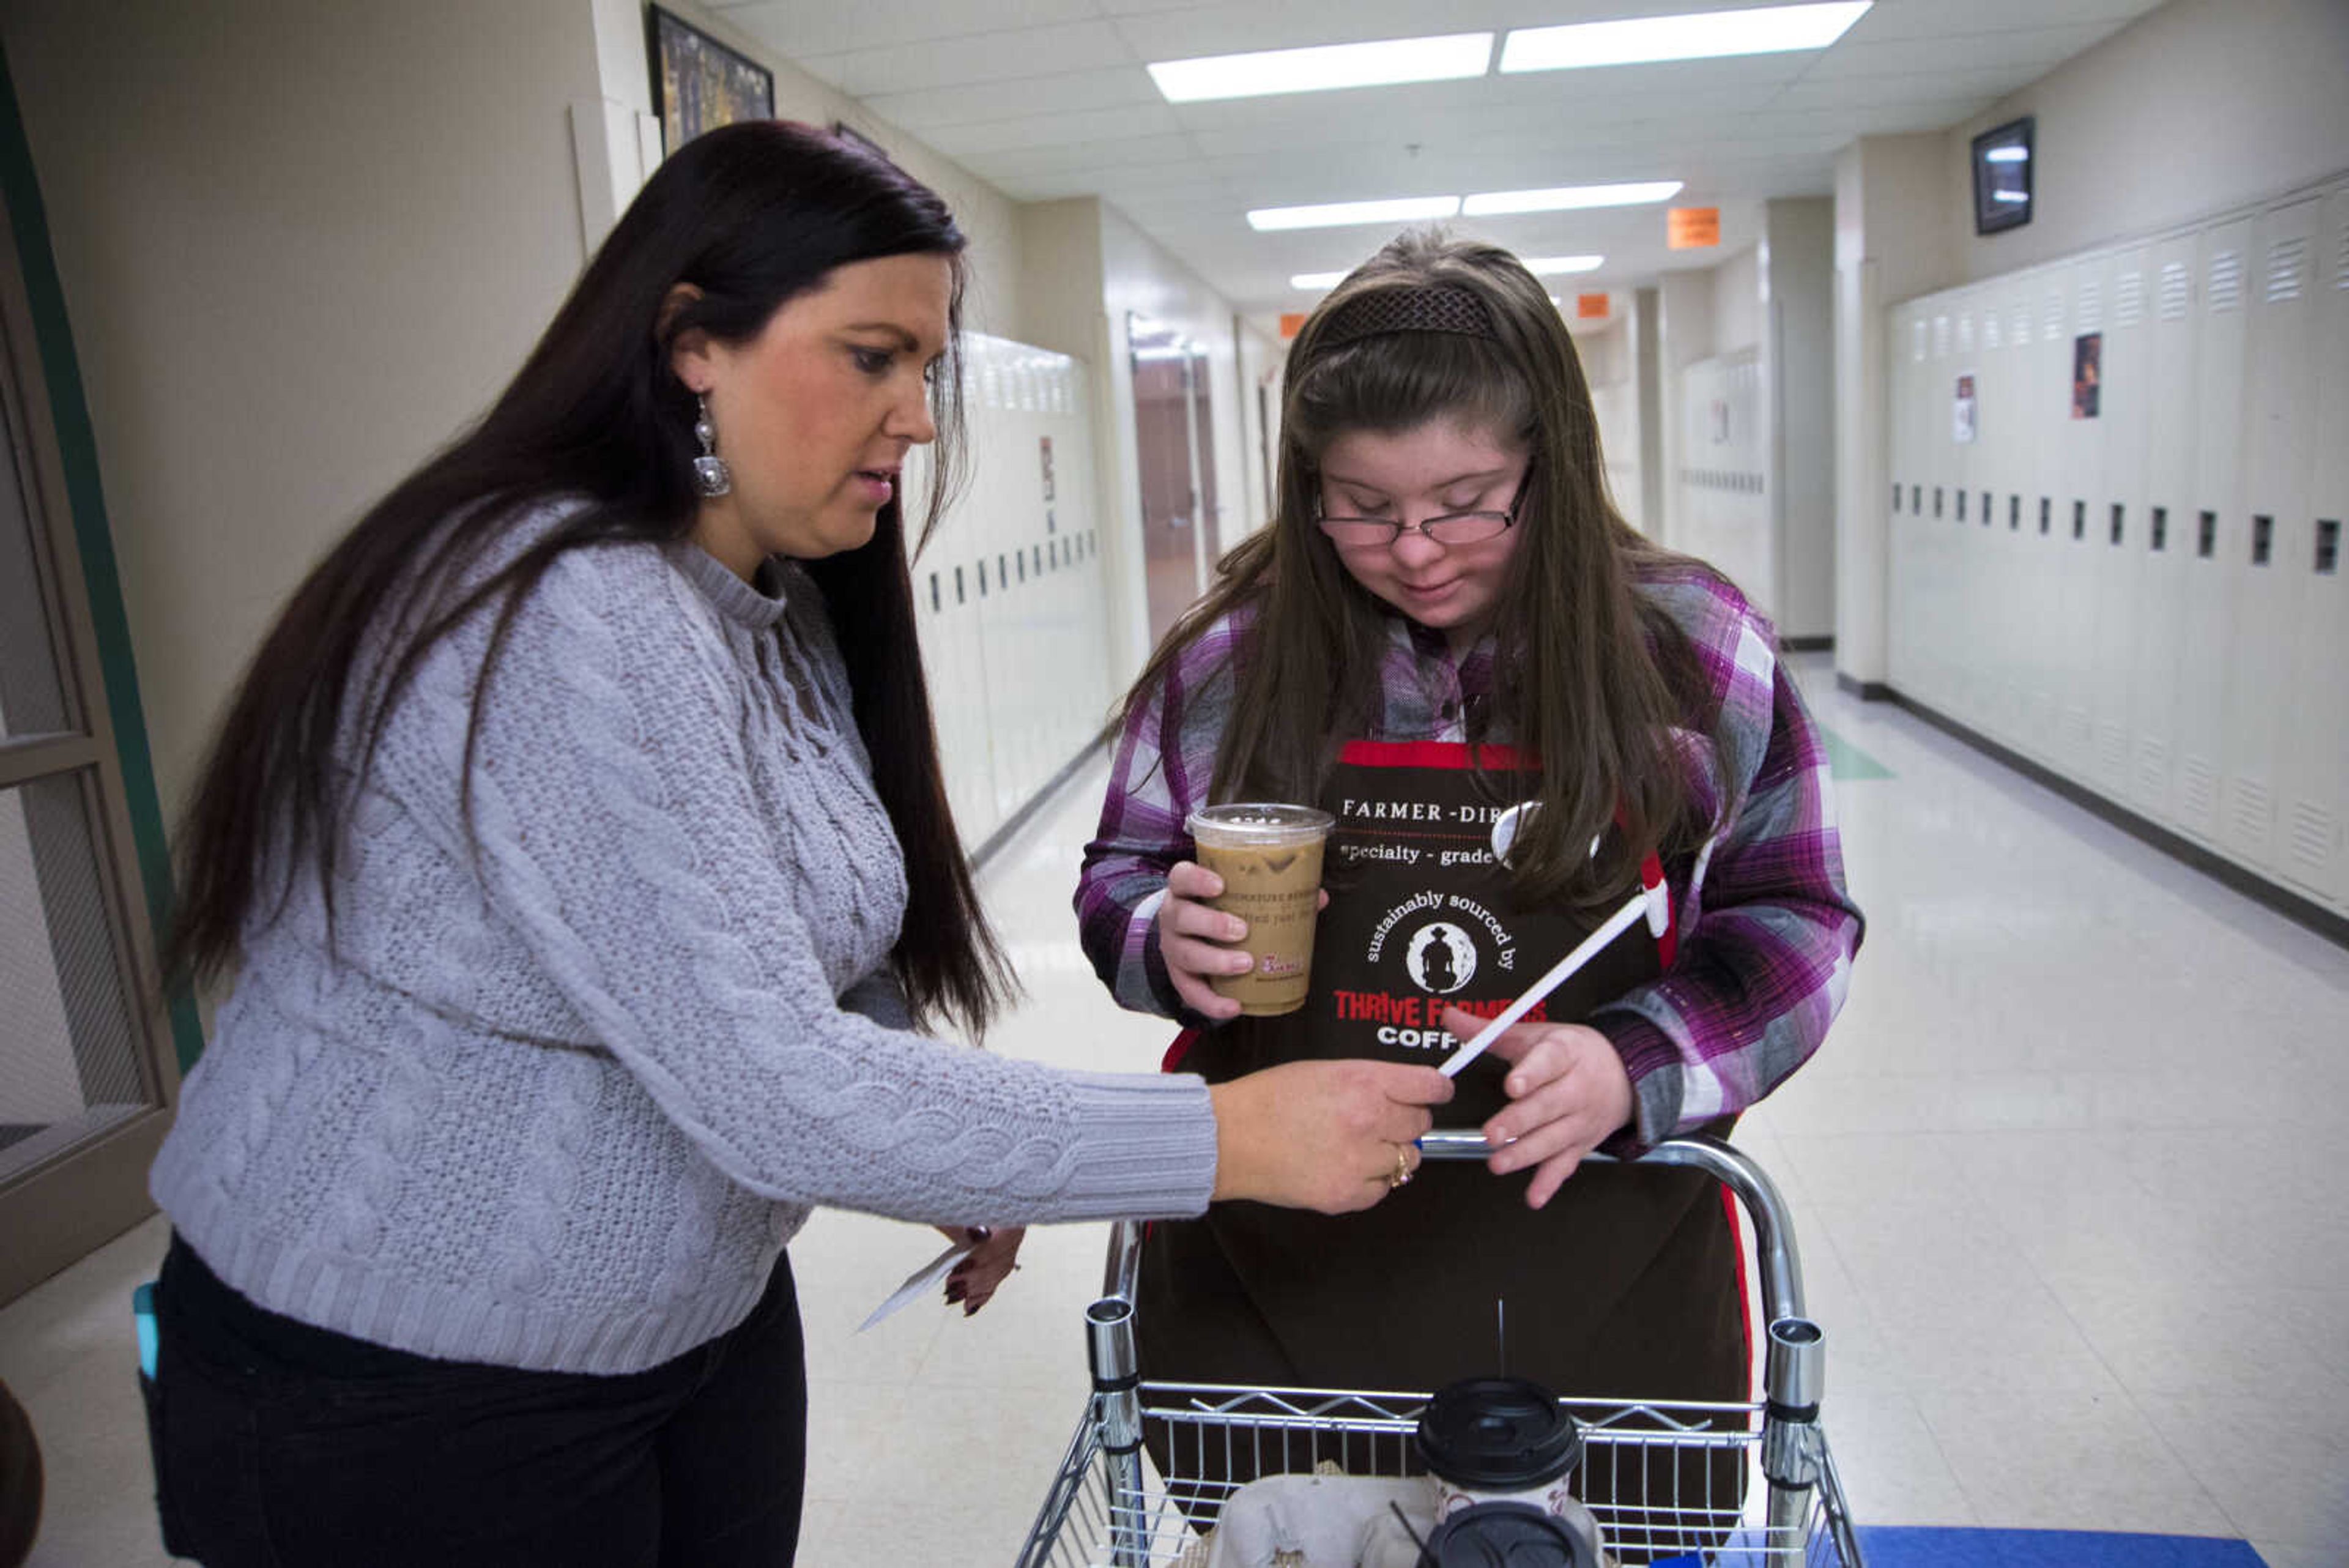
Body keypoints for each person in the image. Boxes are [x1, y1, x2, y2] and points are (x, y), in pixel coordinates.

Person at [142, 121, 1450, 1568]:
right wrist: (1222, 1138)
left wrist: (969, 1150)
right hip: (400, 1369)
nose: (922, 419)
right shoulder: (571, 610)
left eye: (931, 366)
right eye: (871, 356)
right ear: (694, 342)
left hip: (685, 1316)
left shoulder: (768, 605)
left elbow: (805, 957)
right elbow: (777, 1085)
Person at [1075, 230, 1863, 1559]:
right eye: (1363, 504)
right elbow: (1119, 879)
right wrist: (1167, 938)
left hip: (1605, 1265)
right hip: (1282, 1278)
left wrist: (1644, 1060)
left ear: (1550, 464)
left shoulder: (1694, 656)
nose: (1417, 549)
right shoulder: (1232, 665)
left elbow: (1795, 921)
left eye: (1468, 498)